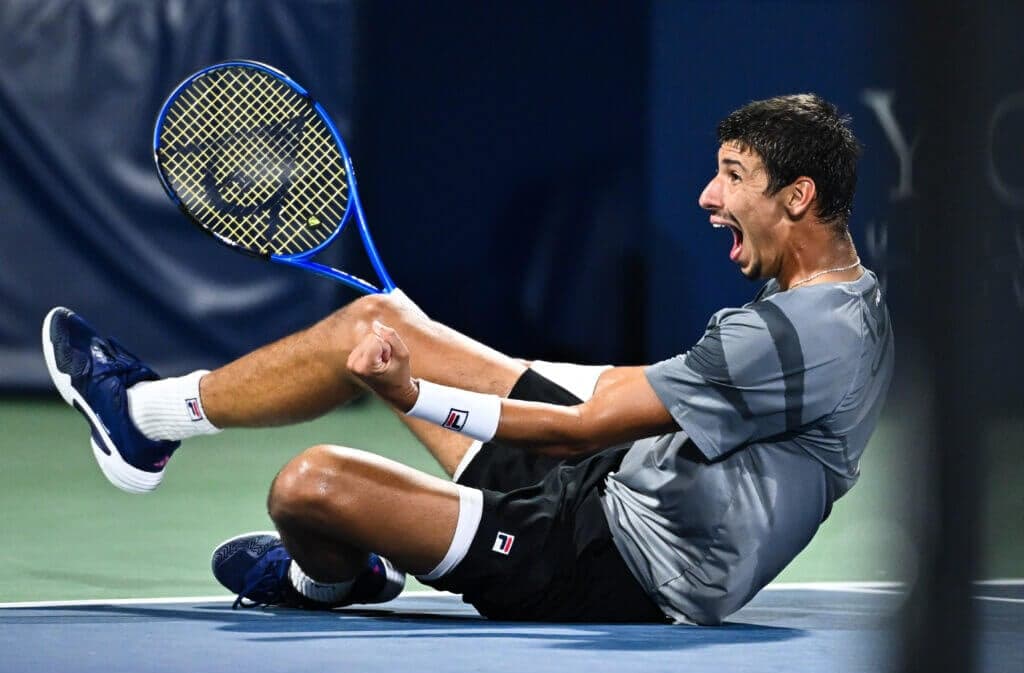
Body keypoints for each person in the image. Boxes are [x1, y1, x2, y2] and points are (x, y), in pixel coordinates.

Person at [42, 93, 893, 625]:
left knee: (310, 487)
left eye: (732, 176)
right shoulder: (847, 298)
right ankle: (147, 418)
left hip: (615, 565)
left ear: (798, 195)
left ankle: (331, 580)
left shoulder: (791, 335)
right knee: (377, 319)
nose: (709, 197)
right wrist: (483, 364)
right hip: (614, 475)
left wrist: (416, 391)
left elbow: (578, 428)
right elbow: (625, 395)